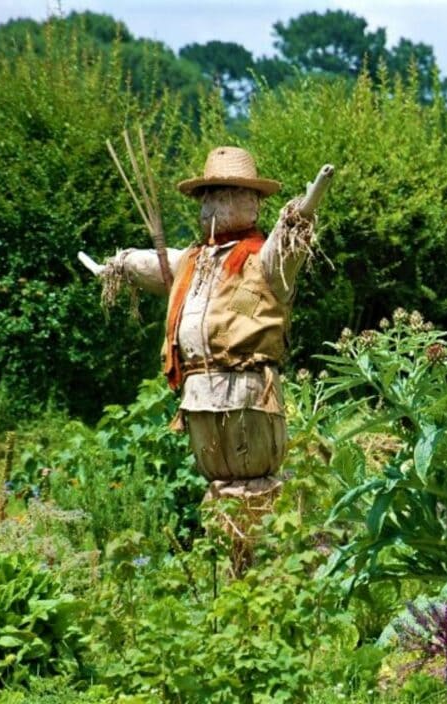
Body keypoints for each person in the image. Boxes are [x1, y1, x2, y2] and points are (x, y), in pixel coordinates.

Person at [80, 146, 329, 528]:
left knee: (254, 483)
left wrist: (305, 208)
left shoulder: (261, 261)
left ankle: (262, 556)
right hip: (200, 393)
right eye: (209, 197)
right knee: (219, 484)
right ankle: (227, 560)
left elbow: (286, 247)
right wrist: (118, 266)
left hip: (247, 392)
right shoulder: (193, 261)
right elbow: (154, 264)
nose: (213, 206)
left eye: (226, 196)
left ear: (253, 203)